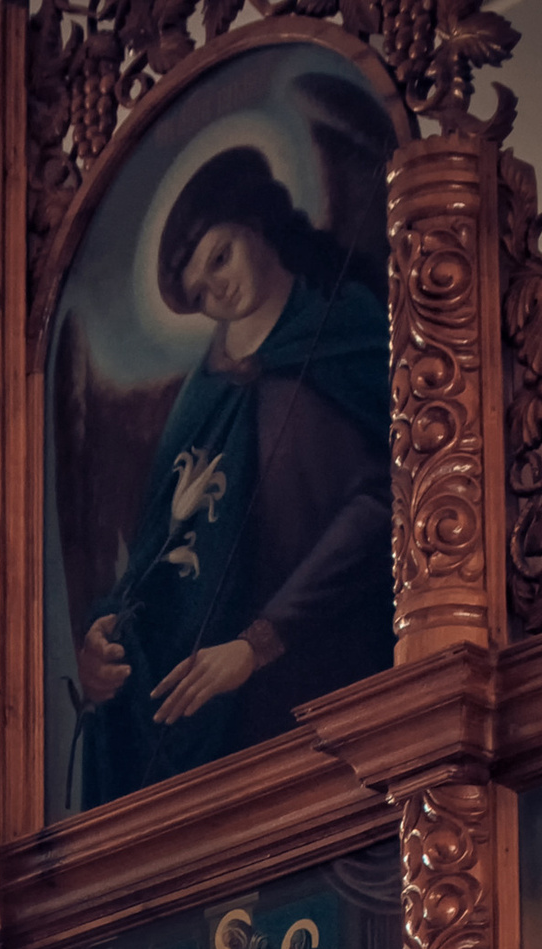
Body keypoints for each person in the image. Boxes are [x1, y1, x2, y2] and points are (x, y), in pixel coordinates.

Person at [67, 145, 390, 811]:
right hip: (218, 711)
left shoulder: (348, 327)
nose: (218, 289)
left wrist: (258, 641)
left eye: (220, 257)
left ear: (259, 224)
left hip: (331, 676)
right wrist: (102, 638)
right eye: (199, 291)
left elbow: (390, 499)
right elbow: (160, 545)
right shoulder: (202, 392)